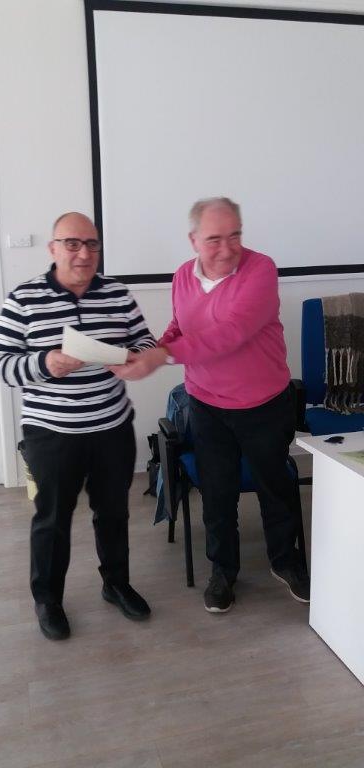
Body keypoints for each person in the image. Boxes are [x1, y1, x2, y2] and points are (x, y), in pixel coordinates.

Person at [111, 197, 310, 613]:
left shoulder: (261, 269)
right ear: (193, 241)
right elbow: (180, 326)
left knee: (276, 487)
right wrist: (151, 349)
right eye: (215, 239)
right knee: (217, 495)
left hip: (263, 404)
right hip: (206, 405)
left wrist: (161, 357)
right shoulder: (183, 276)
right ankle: (223, 571)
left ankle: (285, 561)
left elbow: (230, 333)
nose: (227, 248)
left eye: (235, 235)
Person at [0, 212, 155, 640]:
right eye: (72, 243)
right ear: (53, 248)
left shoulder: (117, 294)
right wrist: (43, 363)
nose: (84, 253)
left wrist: (138, 359)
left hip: (111, 426)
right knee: (52, 519)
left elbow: (145, 340)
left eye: (92, 244)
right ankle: (48, 599)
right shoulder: (23, 299)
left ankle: (115, 584)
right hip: (51, 432)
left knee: (113, 512)